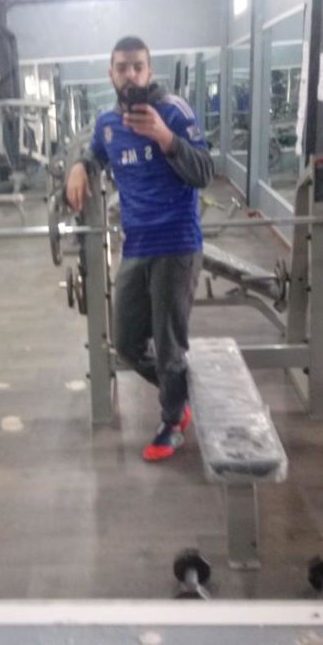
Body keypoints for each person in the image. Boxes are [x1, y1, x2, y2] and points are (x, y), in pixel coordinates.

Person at [66, 36, 214, 462]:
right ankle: (180, 394)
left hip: (176, 243)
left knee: (168, 346)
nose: (130, 75)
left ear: (149, 72)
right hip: (136, 245)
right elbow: (97, 152)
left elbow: (205, 172)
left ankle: (173, 419)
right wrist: (80, 165)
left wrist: (166, 138)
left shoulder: (174, 112)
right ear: (111, 75)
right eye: (122, 67)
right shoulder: (107, 123)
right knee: (127, 342)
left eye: (137, 67)